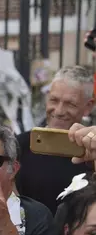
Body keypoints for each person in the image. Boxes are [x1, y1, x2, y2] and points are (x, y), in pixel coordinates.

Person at [16, 66, 94, 215]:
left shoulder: (91, 151)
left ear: (88, 107)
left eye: (70, 104)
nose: (58, 111)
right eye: (54, 100)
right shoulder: (22, 145)